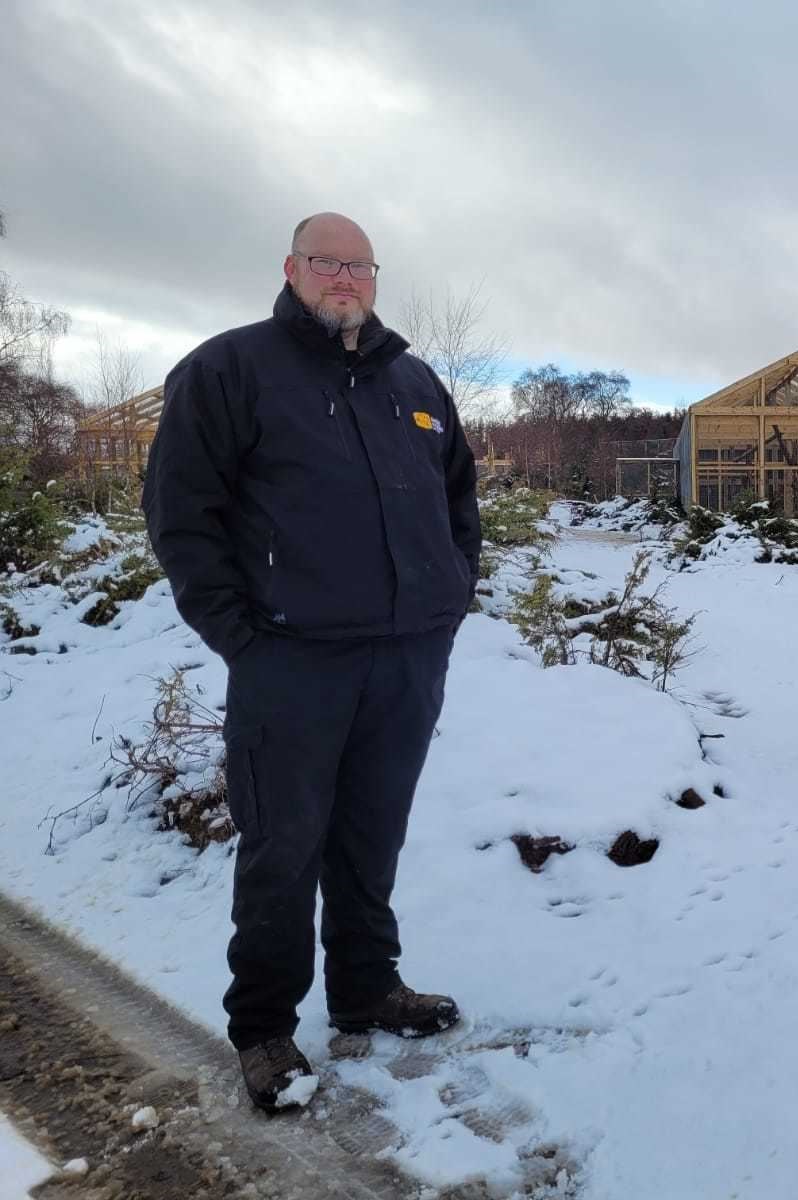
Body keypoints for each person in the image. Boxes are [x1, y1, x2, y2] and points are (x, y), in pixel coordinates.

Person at [141, 213, 481, 1111]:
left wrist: (448, 599)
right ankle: (263, 1028)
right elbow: (182, 516)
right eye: (328, 262)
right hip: (290, 662)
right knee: (282, 847)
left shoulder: (412, 381)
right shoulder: (229, 370)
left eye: (361, 265)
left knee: (371, 837)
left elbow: (459, 500)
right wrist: (242, 637)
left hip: (406, 659)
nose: (346, 277)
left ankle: (367, 987)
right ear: (291, 268)